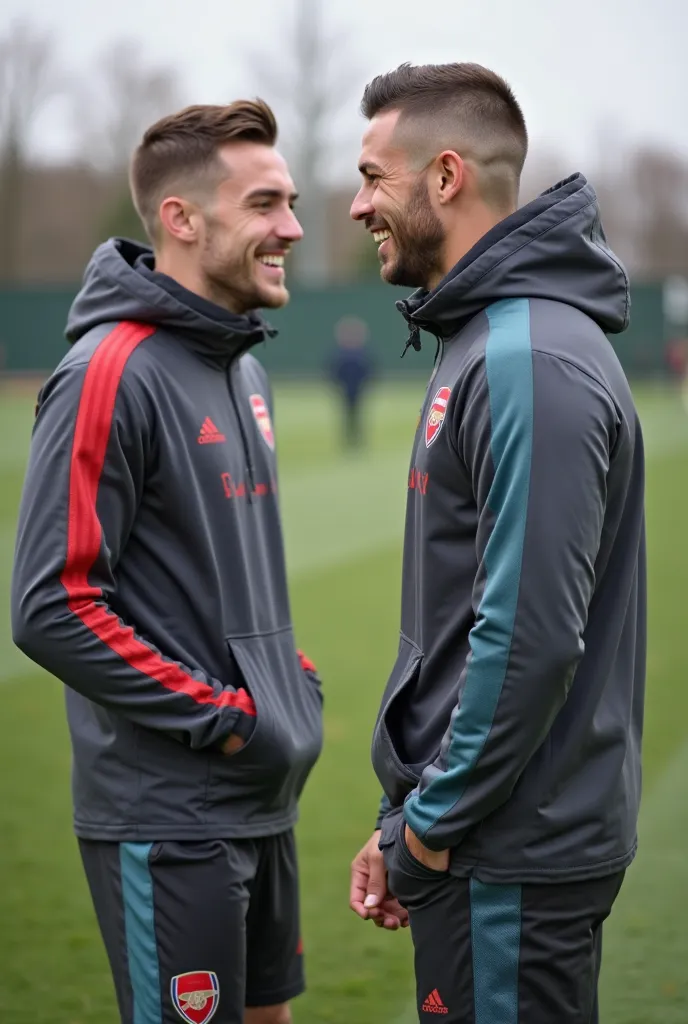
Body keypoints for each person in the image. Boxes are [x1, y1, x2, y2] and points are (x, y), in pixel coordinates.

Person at [11, 100, 323, 1024]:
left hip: (261, 799)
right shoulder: (110, 370)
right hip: (168, 814)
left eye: (293, 201)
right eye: (265, 203)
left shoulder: (244, 366)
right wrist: (225, 716)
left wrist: (283, 685)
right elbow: (52, 605)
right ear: (183, 220)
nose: (293, 228)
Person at [348, 63, 645, 1024]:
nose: (356, 207)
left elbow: (526, 641)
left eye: (371, 178)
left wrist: (426, 831)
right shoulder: (486, 338)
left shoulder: (525, 355)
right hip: (483, 839)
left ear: (444, 177)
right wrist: (405, 824)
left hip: (508, 853)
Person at [326, 316, 375, 448]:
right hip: (346, 389)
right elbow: (334, 372)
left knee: (357, 415)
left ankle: (356, 438)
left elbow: (368, 371)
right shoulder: (342, 354)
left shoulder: (360, 353)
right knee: (348, 415)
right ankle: (350, 438)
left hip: (358, 389)